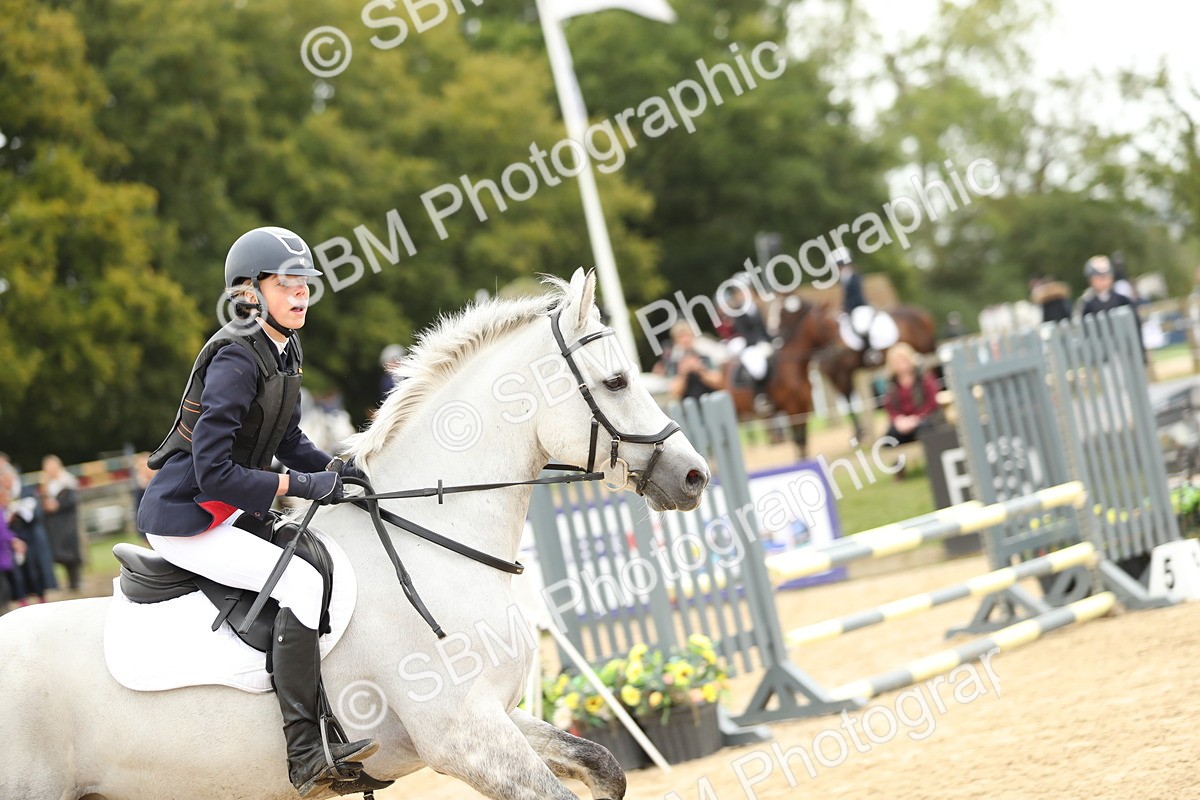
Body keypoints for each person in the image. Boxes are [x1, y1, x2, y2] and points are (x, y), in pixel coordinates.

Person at [136, 226, 377, 797]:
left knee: (321, 564)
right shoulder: (235, 360)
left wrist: (341, 470)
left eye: (306, 284)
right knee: (296, 583)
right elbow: (215, 470)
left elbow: (288, 436)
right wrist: (302, 484)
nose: (302, 294)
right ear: (248, 292)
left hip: (226, 506)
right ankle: (304, 757)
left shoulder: (283, 349)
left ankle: (323, 724)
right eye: (287, 283)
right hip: (188, 516)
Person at [882, 343, 940, 447]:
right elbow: (890, 408)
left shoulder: (924, 378)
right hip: (903, 424)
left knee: (925, 430)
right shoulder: (891, 385)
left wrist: (917, 419)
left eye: (903, 360)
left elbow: (932, 403)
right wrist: (899, 420)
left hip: (924, 419)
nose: (901, 364)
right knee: (889, 439)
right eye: (897, 362)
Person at [39, 455, 82, 591]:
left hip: (67, 522)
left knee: (71, 552)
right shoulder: (46, 485)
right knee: (60, 553)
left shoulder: (67, 482)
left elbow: (72, 501)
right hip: (54, 524)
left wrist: (57, 505)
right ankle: (67, 582)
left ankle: (75, 581)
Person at [662, 322, 725, 401]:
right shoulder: (674, 364)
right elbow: (674, 393)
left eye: (687, 335)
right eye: (680, 337)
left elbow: (720, 383)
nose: (685, 340)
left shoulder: (705, 357)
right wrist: (682, 374)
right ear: (675, 341)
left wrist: (701, 370)